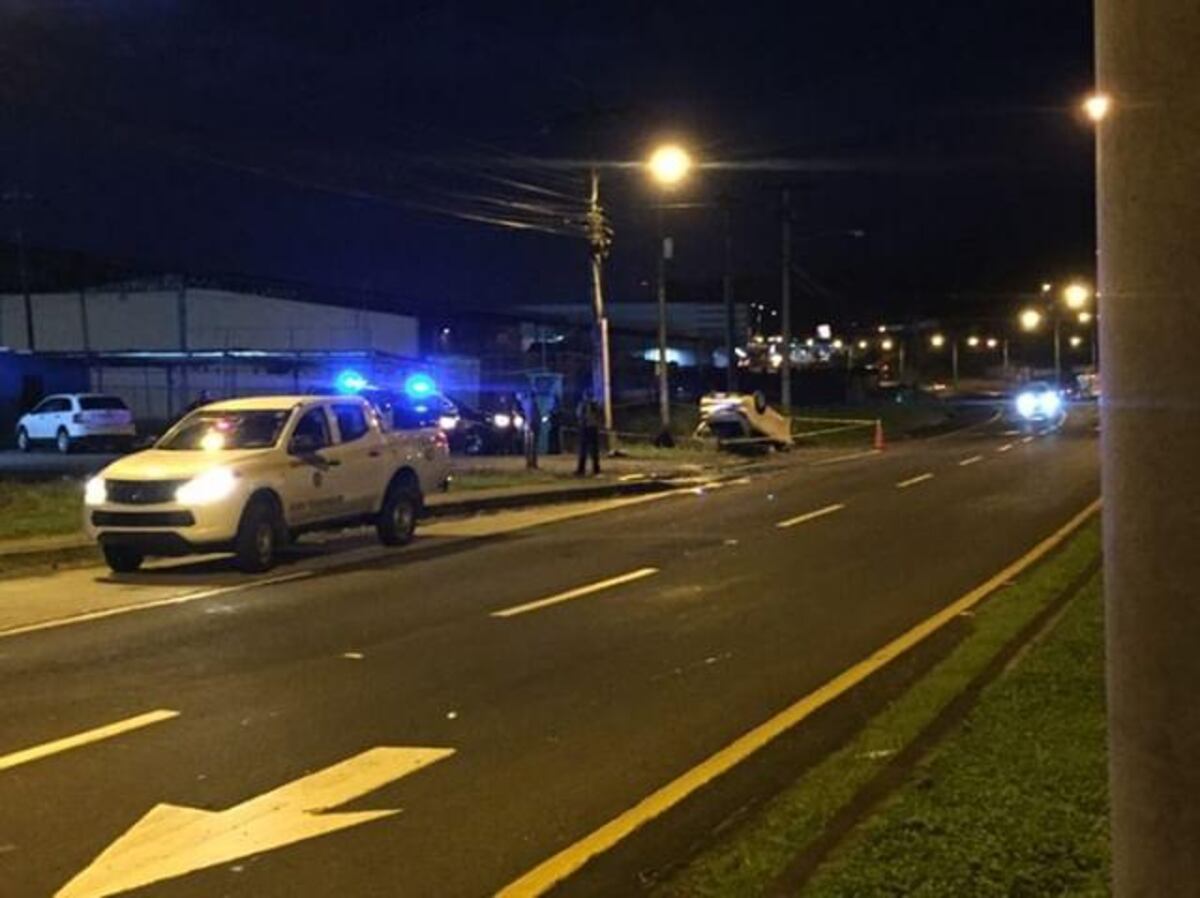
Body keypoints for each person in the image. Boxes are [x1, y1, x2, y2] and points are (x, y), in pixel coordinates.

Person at [575, 389, 601, 476]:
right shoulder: (595, 404)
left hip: (585, 428)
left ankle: (581, 469)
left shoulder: (583, 405)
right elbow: (598, 416)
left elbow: (579, 415)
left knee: (583, 450)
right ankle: (596, 469)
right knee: (594, 450)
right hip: (594, 428)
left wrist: (581, 422)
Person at [522, 392, 540, 470]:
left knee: (528, 445)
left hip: (527, 425)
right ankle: (533, 463)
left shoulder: (526, 404)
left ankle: (528, 462)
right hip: (533, 426)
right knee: (533, 446)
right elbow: (535, 416)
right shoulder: (534, 404)